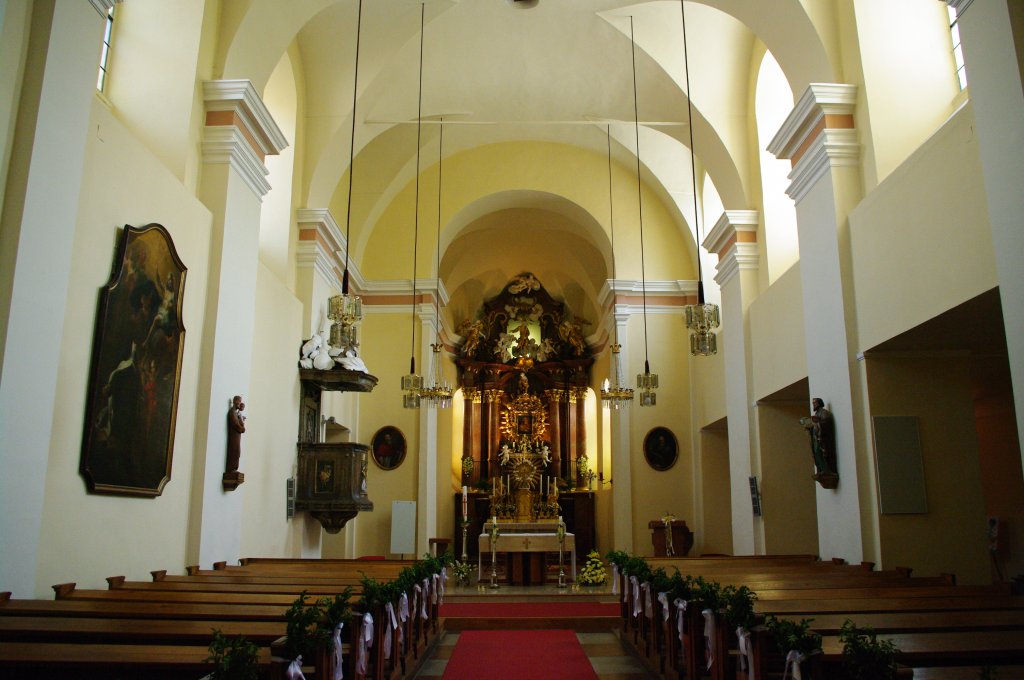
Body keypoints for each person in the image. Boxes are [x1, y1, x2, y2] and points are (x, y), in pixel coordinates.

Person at [801, 397, 836, 480]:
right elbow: (814, 426)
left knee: (821, 453)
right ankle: (821, 470)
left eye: (815, 403)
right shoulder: (817, 414)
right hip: (816, 438)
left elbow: (826, 423)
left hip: (821, 439)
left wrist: (817, 423)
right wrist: (809, 427)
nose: (813, 405)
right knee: (816, 454)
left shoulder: (824, 413)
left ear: (819, 403)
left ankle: (827, 470)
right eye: (813, 403)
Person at [226, 395, 246, 473]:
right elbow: (235, 424)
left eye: (240, 401)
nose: (240, 403)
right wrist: (242, 429)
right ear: (235, 401)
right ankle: (231, 469)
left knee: (237, 451)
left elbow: (239, 422)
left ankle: (234, 468)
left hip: (237, 436)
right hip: (234, 436)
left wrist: (241, 417)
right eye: (239, 401)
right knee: (234, 451)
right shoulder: (232, 412)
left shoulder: (236, 413)